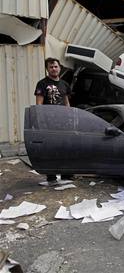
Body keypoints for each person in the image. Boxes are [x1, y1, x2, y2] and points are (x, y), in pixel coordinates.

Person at [34, 57, 72, 185]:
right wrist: (41, 121)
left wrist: (70, 117)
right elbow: (39, 104)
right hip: (49, 123)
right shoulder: (42, 84)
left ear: (60, 68)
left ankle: (66, 176)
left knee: (65, 148)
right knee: (50, 149)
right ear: (47, 69)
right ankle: (51, 177)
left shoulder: (65, 84)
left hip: (63, 122)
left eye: (56, 66)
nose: (54, 69)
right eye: (51, 67)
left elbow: (66, 102)